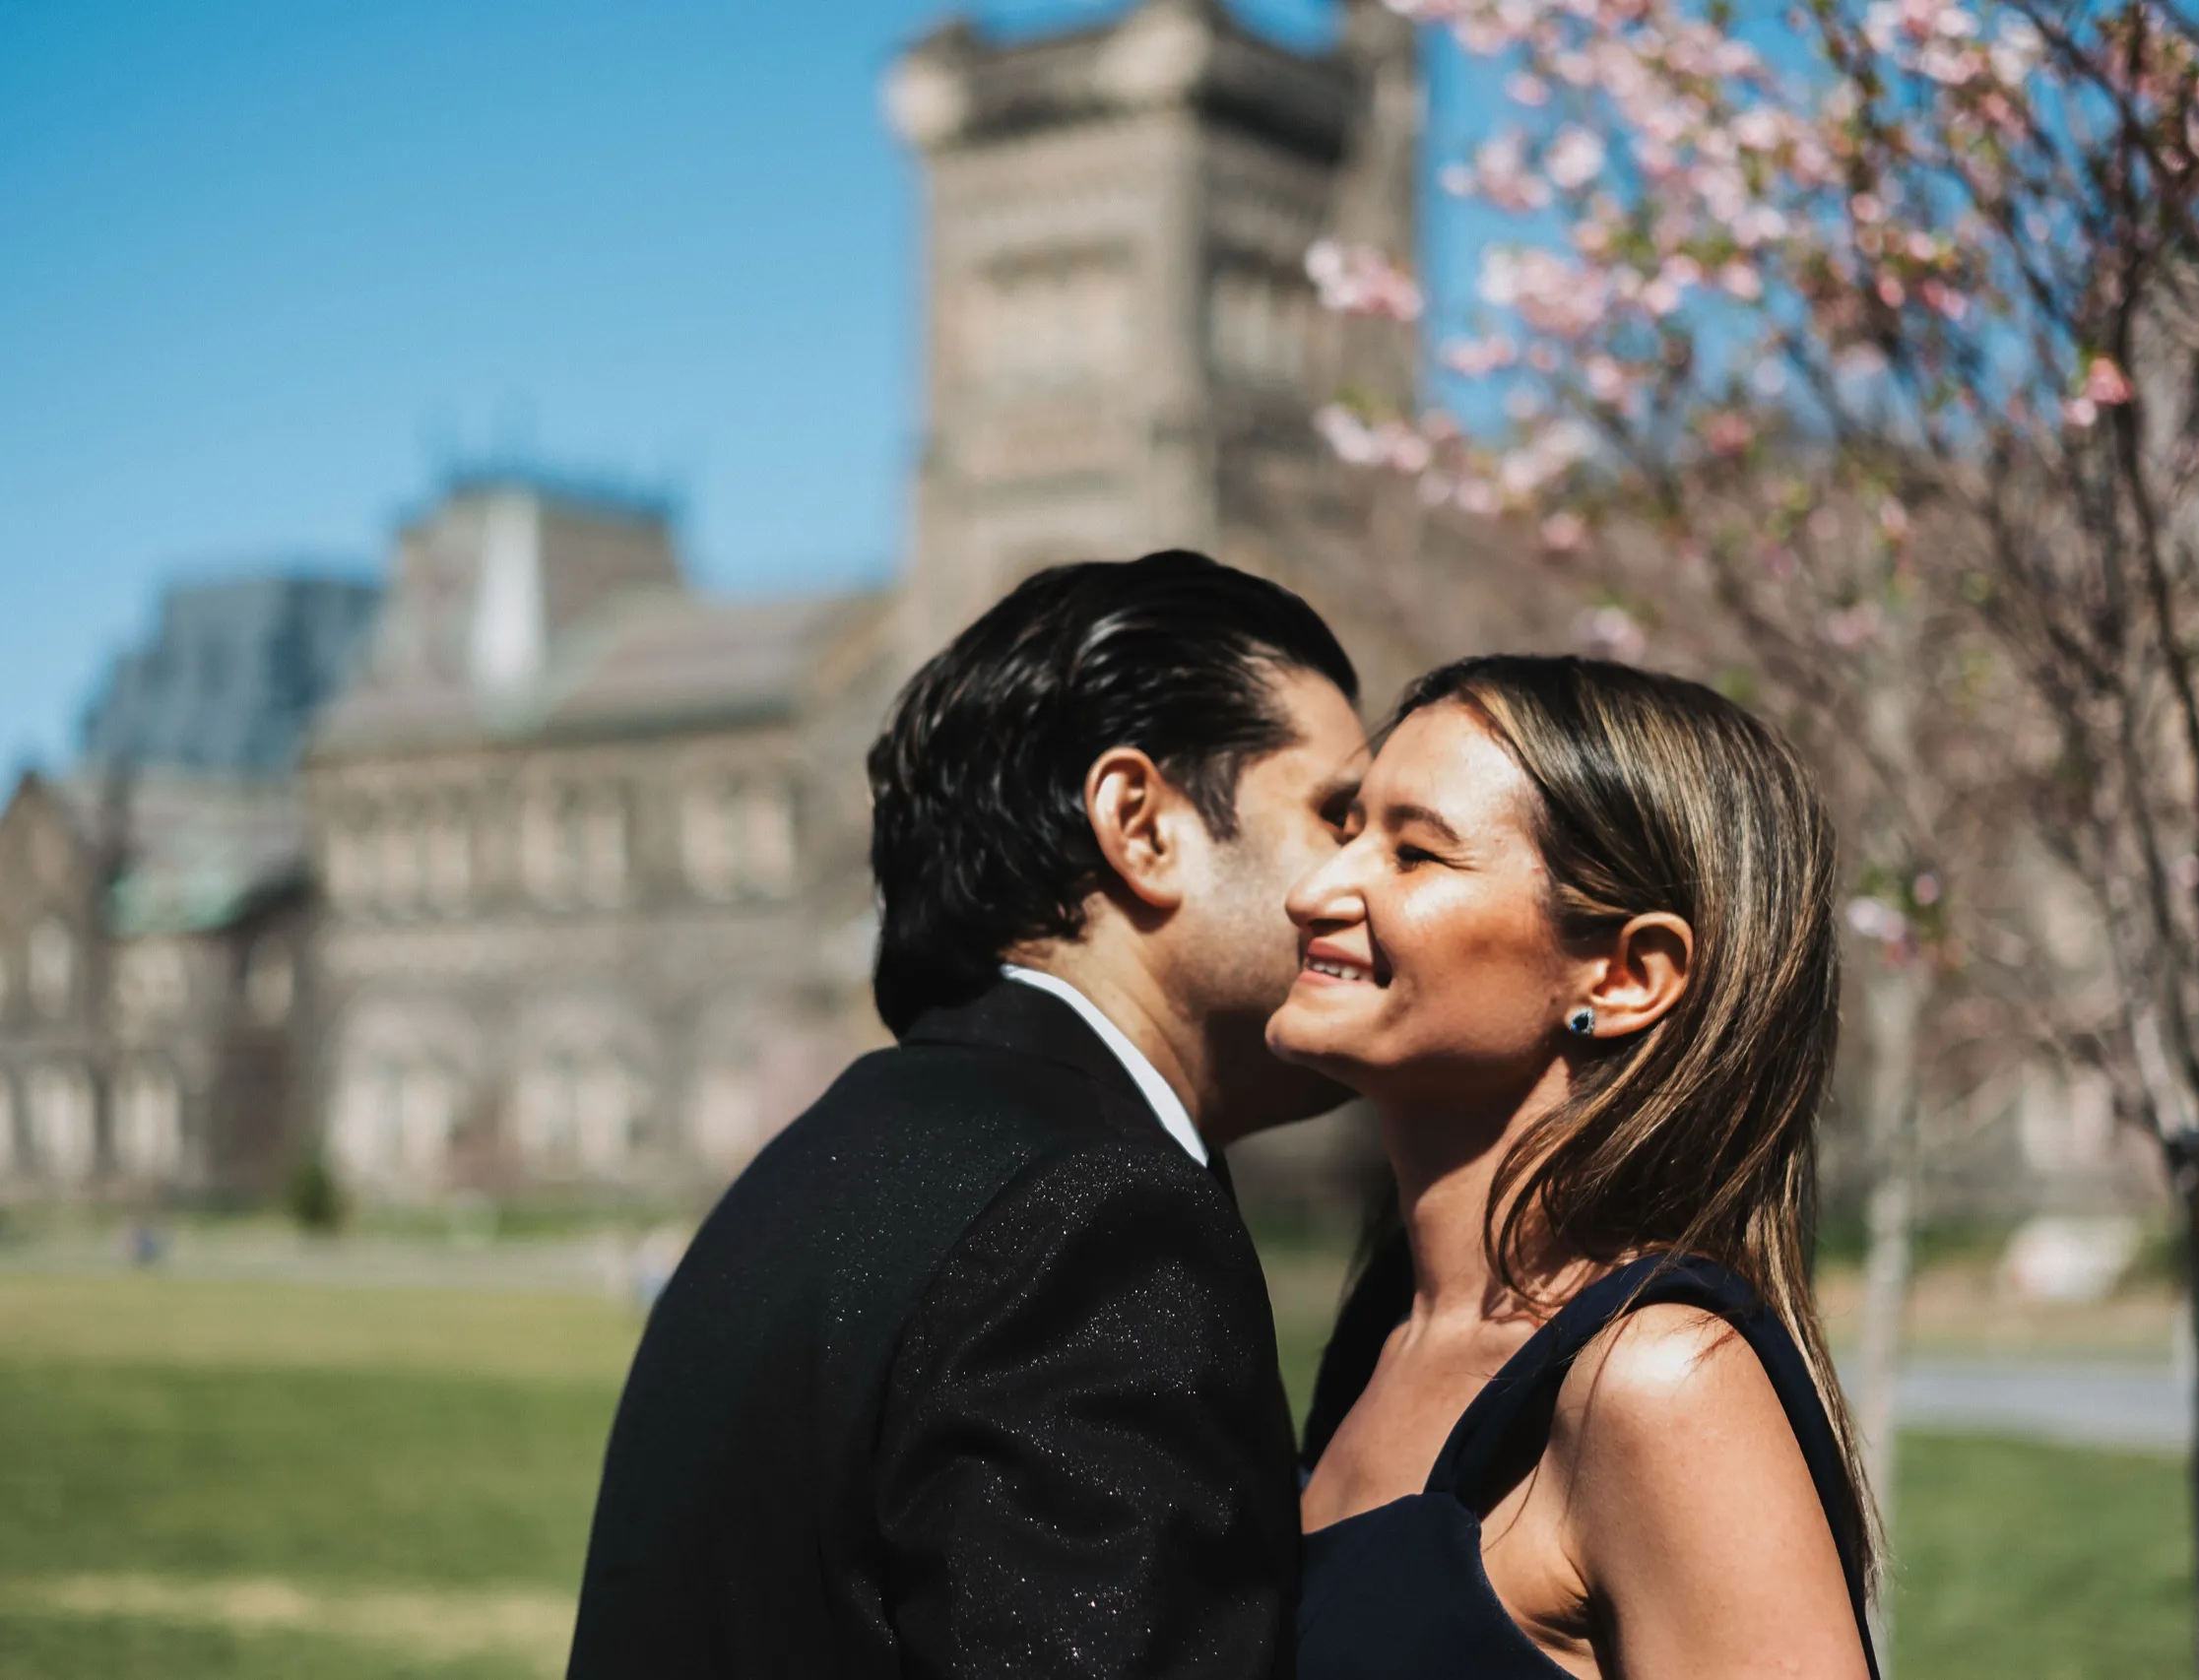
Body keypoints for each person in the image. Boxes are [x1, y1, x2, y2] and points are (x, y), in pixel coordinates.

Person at [567, 551, 1369, 1679]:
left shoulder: (831, 1154)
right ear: (1140, 824)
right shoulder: (1095, 1216)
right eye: (1342, 814)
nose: (1373, 882)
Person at [1273, 655, 1879, 1680]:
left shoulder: (1653, 1385)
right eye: (1345, 831)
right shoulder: (1386, 1326)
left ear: (1627, 973)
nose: (1313, 889)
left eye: (1414, 853)